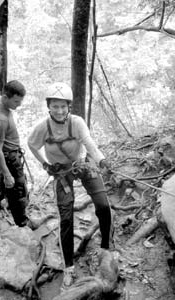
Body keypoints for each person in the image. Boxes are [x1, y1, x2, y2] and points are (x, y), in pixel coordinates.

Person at [28, 82, 113, 290]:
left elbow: (89, 142)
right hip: (61, 173)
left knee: (103, 205)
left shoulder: (76, 122)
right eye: (55, 106)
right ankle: (69, 268)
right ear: (49, 106)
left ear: (68, 107)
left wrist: (101, 160)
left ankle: (106, 248)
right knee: (66, 219)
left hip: (82, 164)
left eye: (63, 106)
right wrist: (44, 163)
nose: (59, 110)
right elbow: (31, 144)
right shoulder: (42, 127)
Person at [0, 80, 29, 227]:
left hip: (6, 155)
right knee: (17, 189)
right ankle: (22, 222)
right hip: (7, 157)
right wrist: (7, 174)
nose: (19, 104)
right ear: (6, 97)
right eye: (16, 101)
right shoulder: (0, 119)